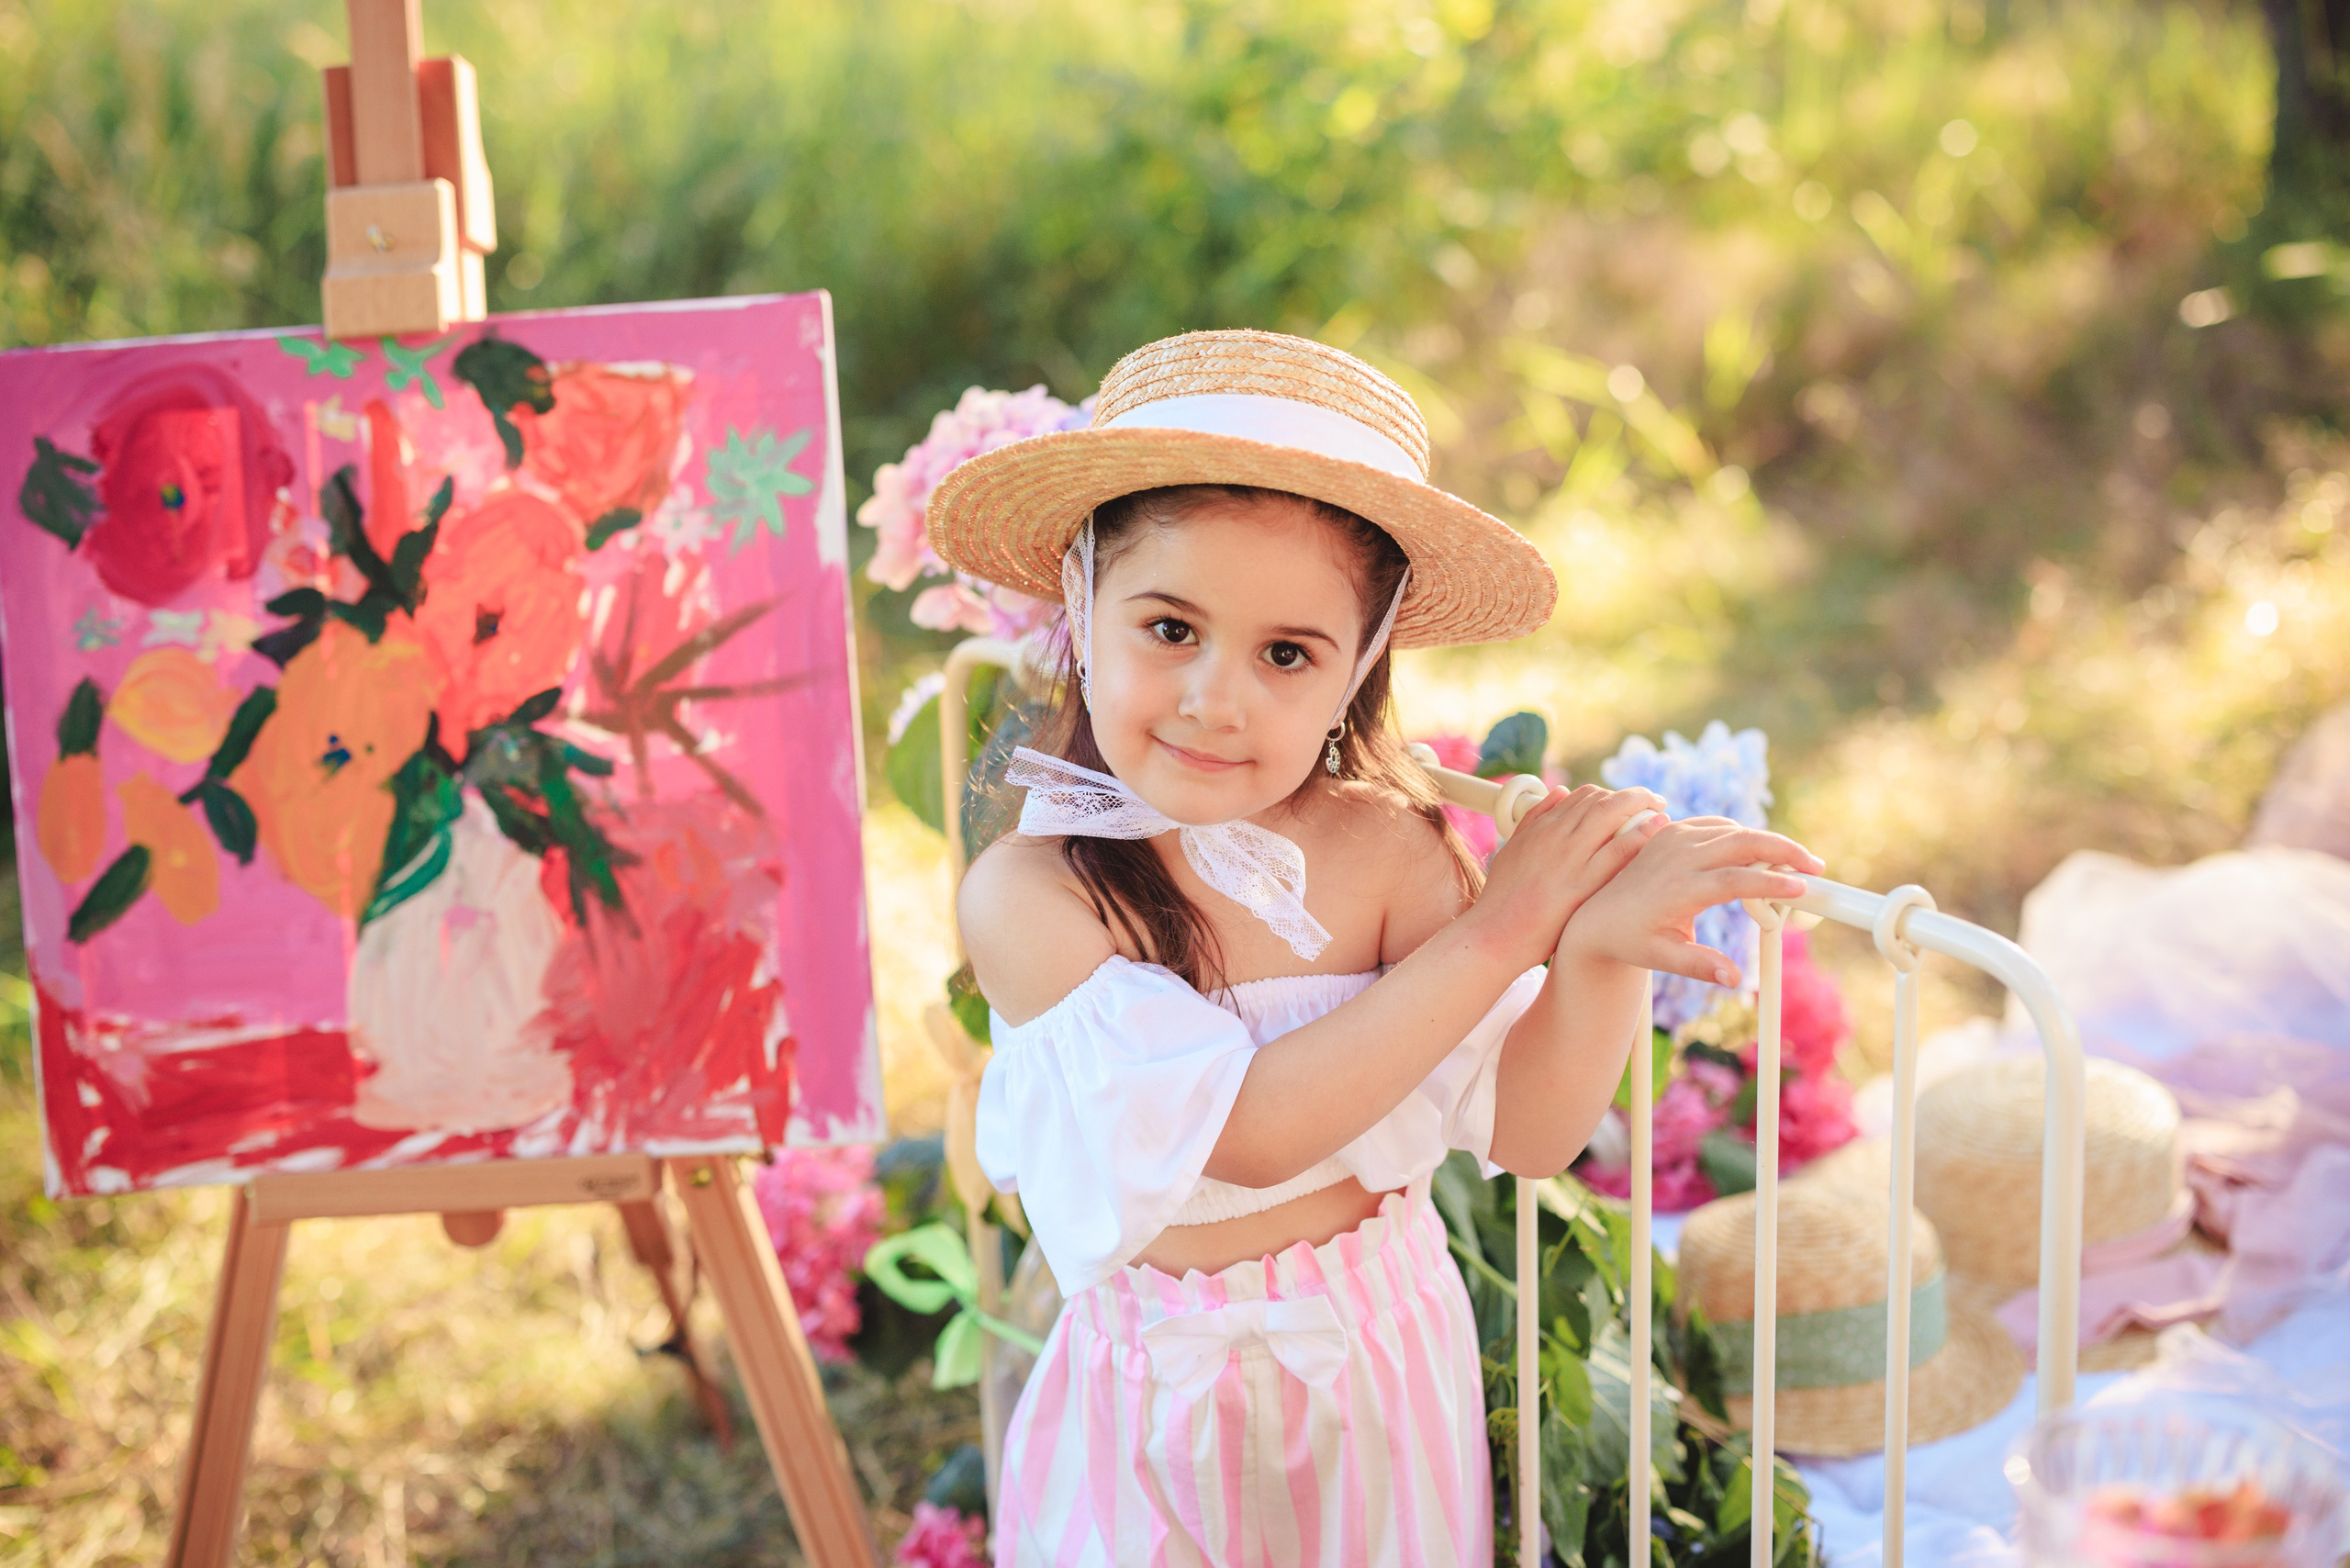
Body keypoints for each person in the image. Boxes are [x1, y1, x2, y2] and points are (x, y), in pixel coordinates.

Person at [928, 329, 1819, 1565]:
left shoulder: (1389, 851)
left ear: (1357, 670)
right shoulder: (1032, 893)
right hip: (1160, 1392)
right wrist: (1510, 927)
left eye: (1287, 653)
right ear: (1083, 607)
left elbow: (1527, 1127)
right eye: (1170, 628)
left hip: (1379, 1353)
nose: (1213, 697)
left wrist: (1599, 951)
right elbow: (1241, 1135)